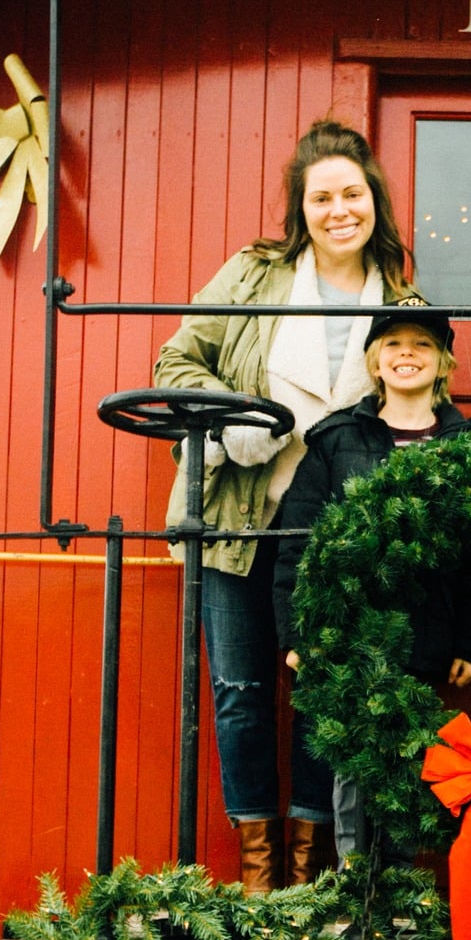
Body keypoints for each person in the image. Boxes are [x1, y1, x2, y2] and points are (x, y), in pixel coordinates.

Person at [153, 119, 412, 891]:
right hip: (239, 516)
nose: (339, 210)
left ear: (375, 202)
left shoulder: (401, 296)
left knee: (321, 696)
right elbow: (176, 359)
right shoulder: (253, 275)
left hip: (335, 539)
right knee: (239, 694)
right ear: (300, 209)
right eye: (321, 196)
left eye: (352, 194)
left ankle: (307, 871)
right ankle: (260, 872)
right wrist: (227, 418)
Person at [274, 299, 471, 862]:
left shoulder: (468, 447)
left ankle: (400, 883)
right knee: (354, 764)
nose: (408, 354)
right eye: (394, 344)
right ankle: (356, 879)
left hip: (427, 637)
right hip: (350, 641)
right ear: (375, 362)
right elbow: (297, 544)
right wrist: (295, 635)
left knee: (413, 759)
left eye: (423, 344)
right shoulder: (336, 443)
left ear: (444, 363)